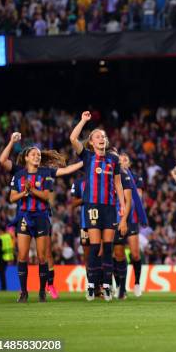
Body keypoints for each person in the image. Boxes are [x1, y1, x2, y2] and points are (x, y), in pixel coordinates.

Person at [10, 147, 80, 302]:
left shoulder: (45, 173)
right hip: (24, 217)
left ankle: (42, 290)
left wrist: (32, 189)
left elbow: (46, 197)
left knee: (42, 257)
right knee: (22, 256)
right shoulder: (19, 175)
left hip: (41, 217)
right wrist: (24, 193)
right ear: (26, 157)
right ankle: (23, 292)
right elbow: (12, 198)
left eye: (39, 155)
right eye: (34, 154)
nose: (37, 156)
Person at [70, 111, 125, 301]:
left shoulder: (114, 159)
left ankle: (108, 286)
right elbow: (72, 138)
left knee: (108, 247)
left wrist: (123, 206)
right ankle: (92, 285)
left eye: (104, 136)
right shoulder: (86, 156)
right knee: (95, 247)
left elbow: (118, 184)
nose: (102, 138)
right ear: (92, 142)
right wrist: (83, 120)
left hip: (109, 207)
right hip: (92, 206)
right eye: (98, 136)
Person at [114, 153, 147, 299]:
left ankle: (137, 283)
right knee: (119, 255)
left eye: (125, 159)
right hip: (116, 218)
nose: (122, 161)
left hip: (131, 219)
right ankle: (120, 287)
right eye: (120, 159)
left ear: (130, 163)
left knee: (134, 254)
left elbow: (138, 198)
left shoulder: (135, 178)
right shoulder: (112, 176)